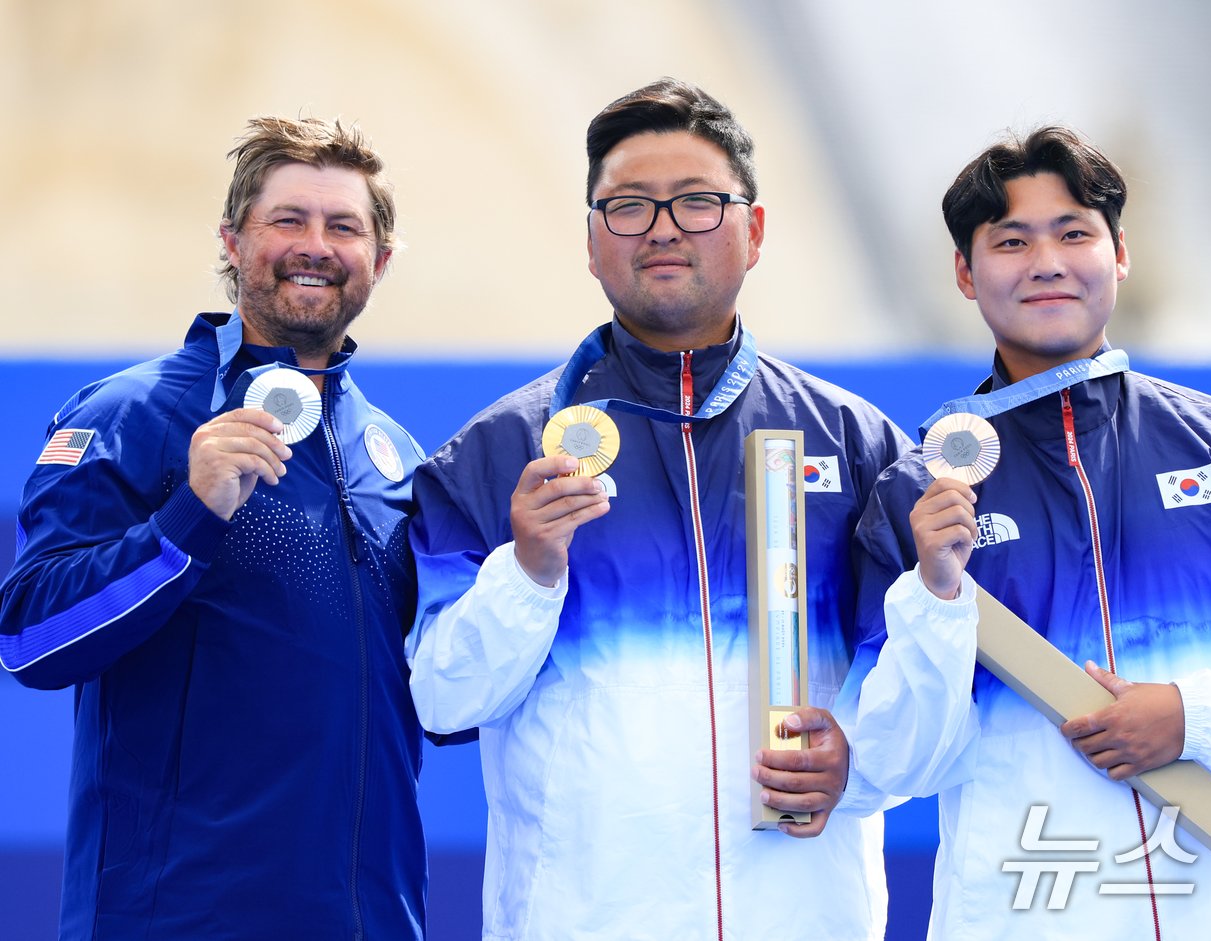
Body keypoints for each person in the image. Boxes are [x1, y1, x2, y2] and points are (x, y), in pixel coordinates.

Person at [843, 125, 1211, 938]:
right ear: (965, 270)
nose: (1047, 262)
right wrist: (937, 592)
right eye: (1011, 241)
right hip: (1030, 907)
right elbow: (890, 760)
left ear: (1120, 251)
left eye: (1074, 233)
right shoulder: (915, 496)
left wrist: (1188, 714)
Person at [406, 78, 912, 940]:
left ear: (754, 231)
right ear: (592, 241)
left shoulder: (855, 442)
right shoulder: (501, 451)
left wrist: (858, 751)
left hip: (801, 912)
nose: (666, 227)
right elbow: (441, 700)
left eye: (699, 203)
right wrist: (528, 570)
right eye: (630, 206)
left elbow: (920, 677)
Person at [0, 116, 428, 939]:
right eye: (288, 220)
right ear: (232, 240)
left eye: (345, 226)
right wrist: (185, 518)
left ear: (381, 257)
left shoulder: (396, 453)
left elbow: (443, 690)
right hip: (180, 918)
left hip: (371, 919)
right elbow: (29, 636)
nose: (317, 244)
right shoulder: (133, 414)